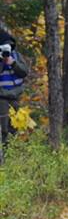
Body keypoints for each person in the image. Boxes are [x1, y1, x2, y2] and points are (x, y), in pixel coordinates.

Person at [0, 30, 29, 158]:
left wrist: (13, 63)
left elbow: (24, 72)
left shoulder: (16, 56)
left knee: (16, 127)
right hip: (2, 97)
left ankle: (12, 155)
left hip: (16, 96)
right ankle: (5, 156)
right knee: (4, 129)